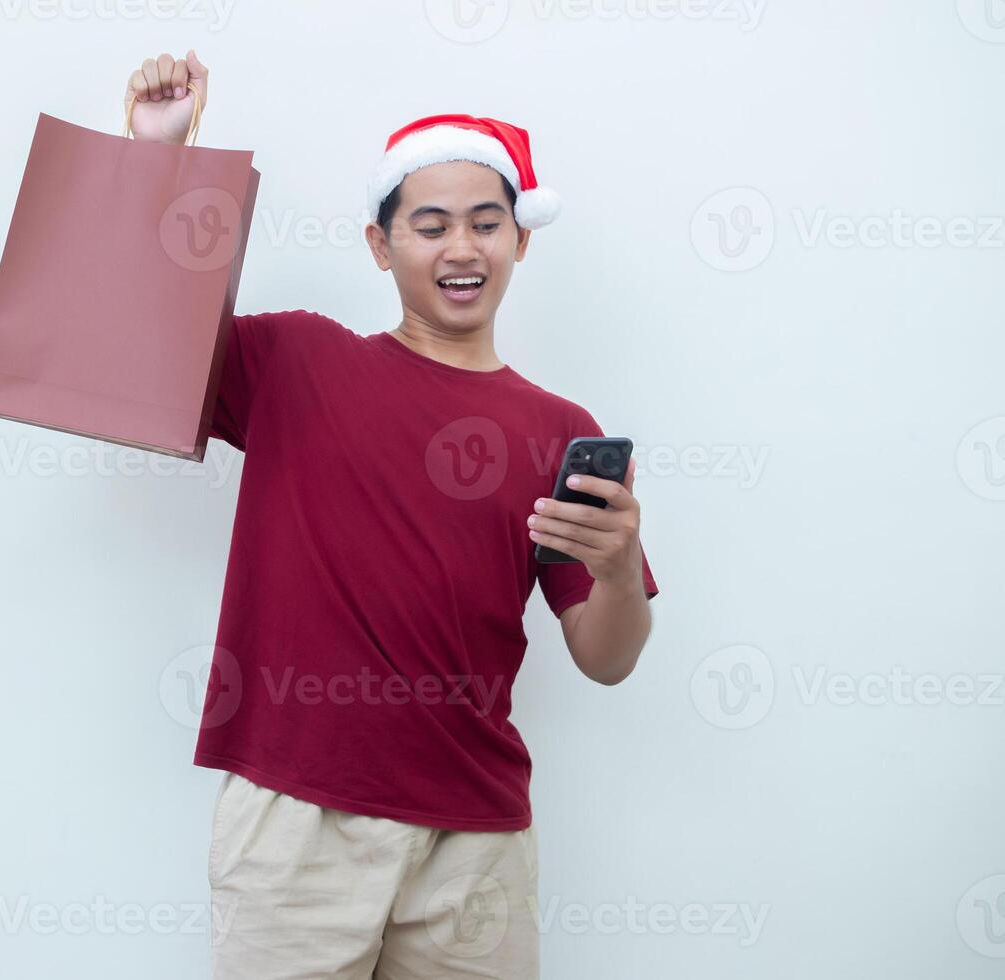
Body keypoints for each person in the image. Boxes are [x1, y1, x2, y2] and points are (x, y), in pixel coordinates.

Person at [125, 51, 661, 980]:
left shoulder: (562, 430)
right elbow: (138, 332)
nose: (463, 248)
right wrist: (159, 162)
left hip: (477, 844)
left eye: (487, 223)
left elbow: (606, 659)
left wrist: (618, 570)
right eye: (431, 224)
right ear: (382, 246)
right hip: (297, 824)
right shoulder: (297, 361)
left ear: (520, 241)